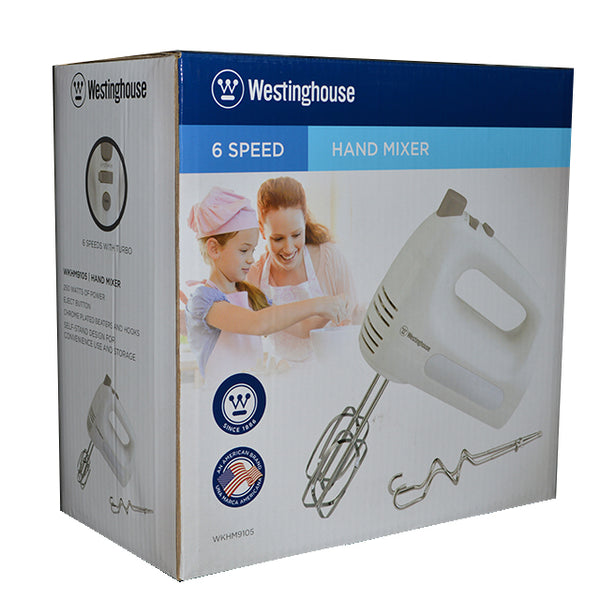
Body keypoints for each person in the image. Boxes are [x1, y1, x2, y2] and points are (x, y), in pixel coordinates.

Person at [185, 186, 348, 379]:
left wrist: (332, 308)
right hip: (222, 393)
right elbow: (258, 323)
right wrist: (319, 304)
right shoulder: (203, 300)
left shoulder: (249, 295)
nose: (251, 259)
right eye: (244, 250)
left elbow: (299, 327)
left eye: (253, 251)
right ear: (214, 249)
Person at [248, 177, 359, 361]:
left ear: (305, 220)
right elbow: (272, 325)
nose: (289, 248)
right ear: (261, 229)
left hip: (330, 371)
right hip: (280, 375)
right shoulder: (255, 276)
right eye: (278, 239)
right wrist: (321, 306)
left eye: (296, 234)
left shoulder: (329, 259)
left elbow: (352, 325)